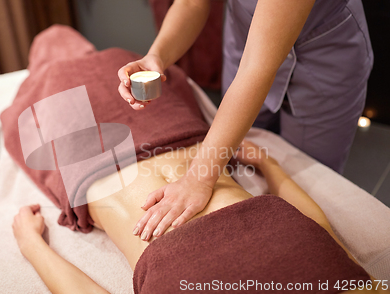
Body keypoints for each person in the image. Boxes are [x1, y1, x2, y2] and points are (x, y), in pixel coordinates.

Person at [117, 0, 373, 240]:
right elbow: (192, 2)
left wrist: (198, 179)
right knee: (240, 158)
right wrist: (157, 56)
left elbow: (257, 68)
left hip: (322, 57)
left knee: (305, 179)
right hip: (246, 44)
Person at [12, 140, 383, 293]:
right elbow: (318, 232)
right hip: (186, 137)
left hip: (90, 167)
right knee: (122, 63)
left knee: (50, 52)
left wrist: (31, 244)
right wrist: (268, 166)